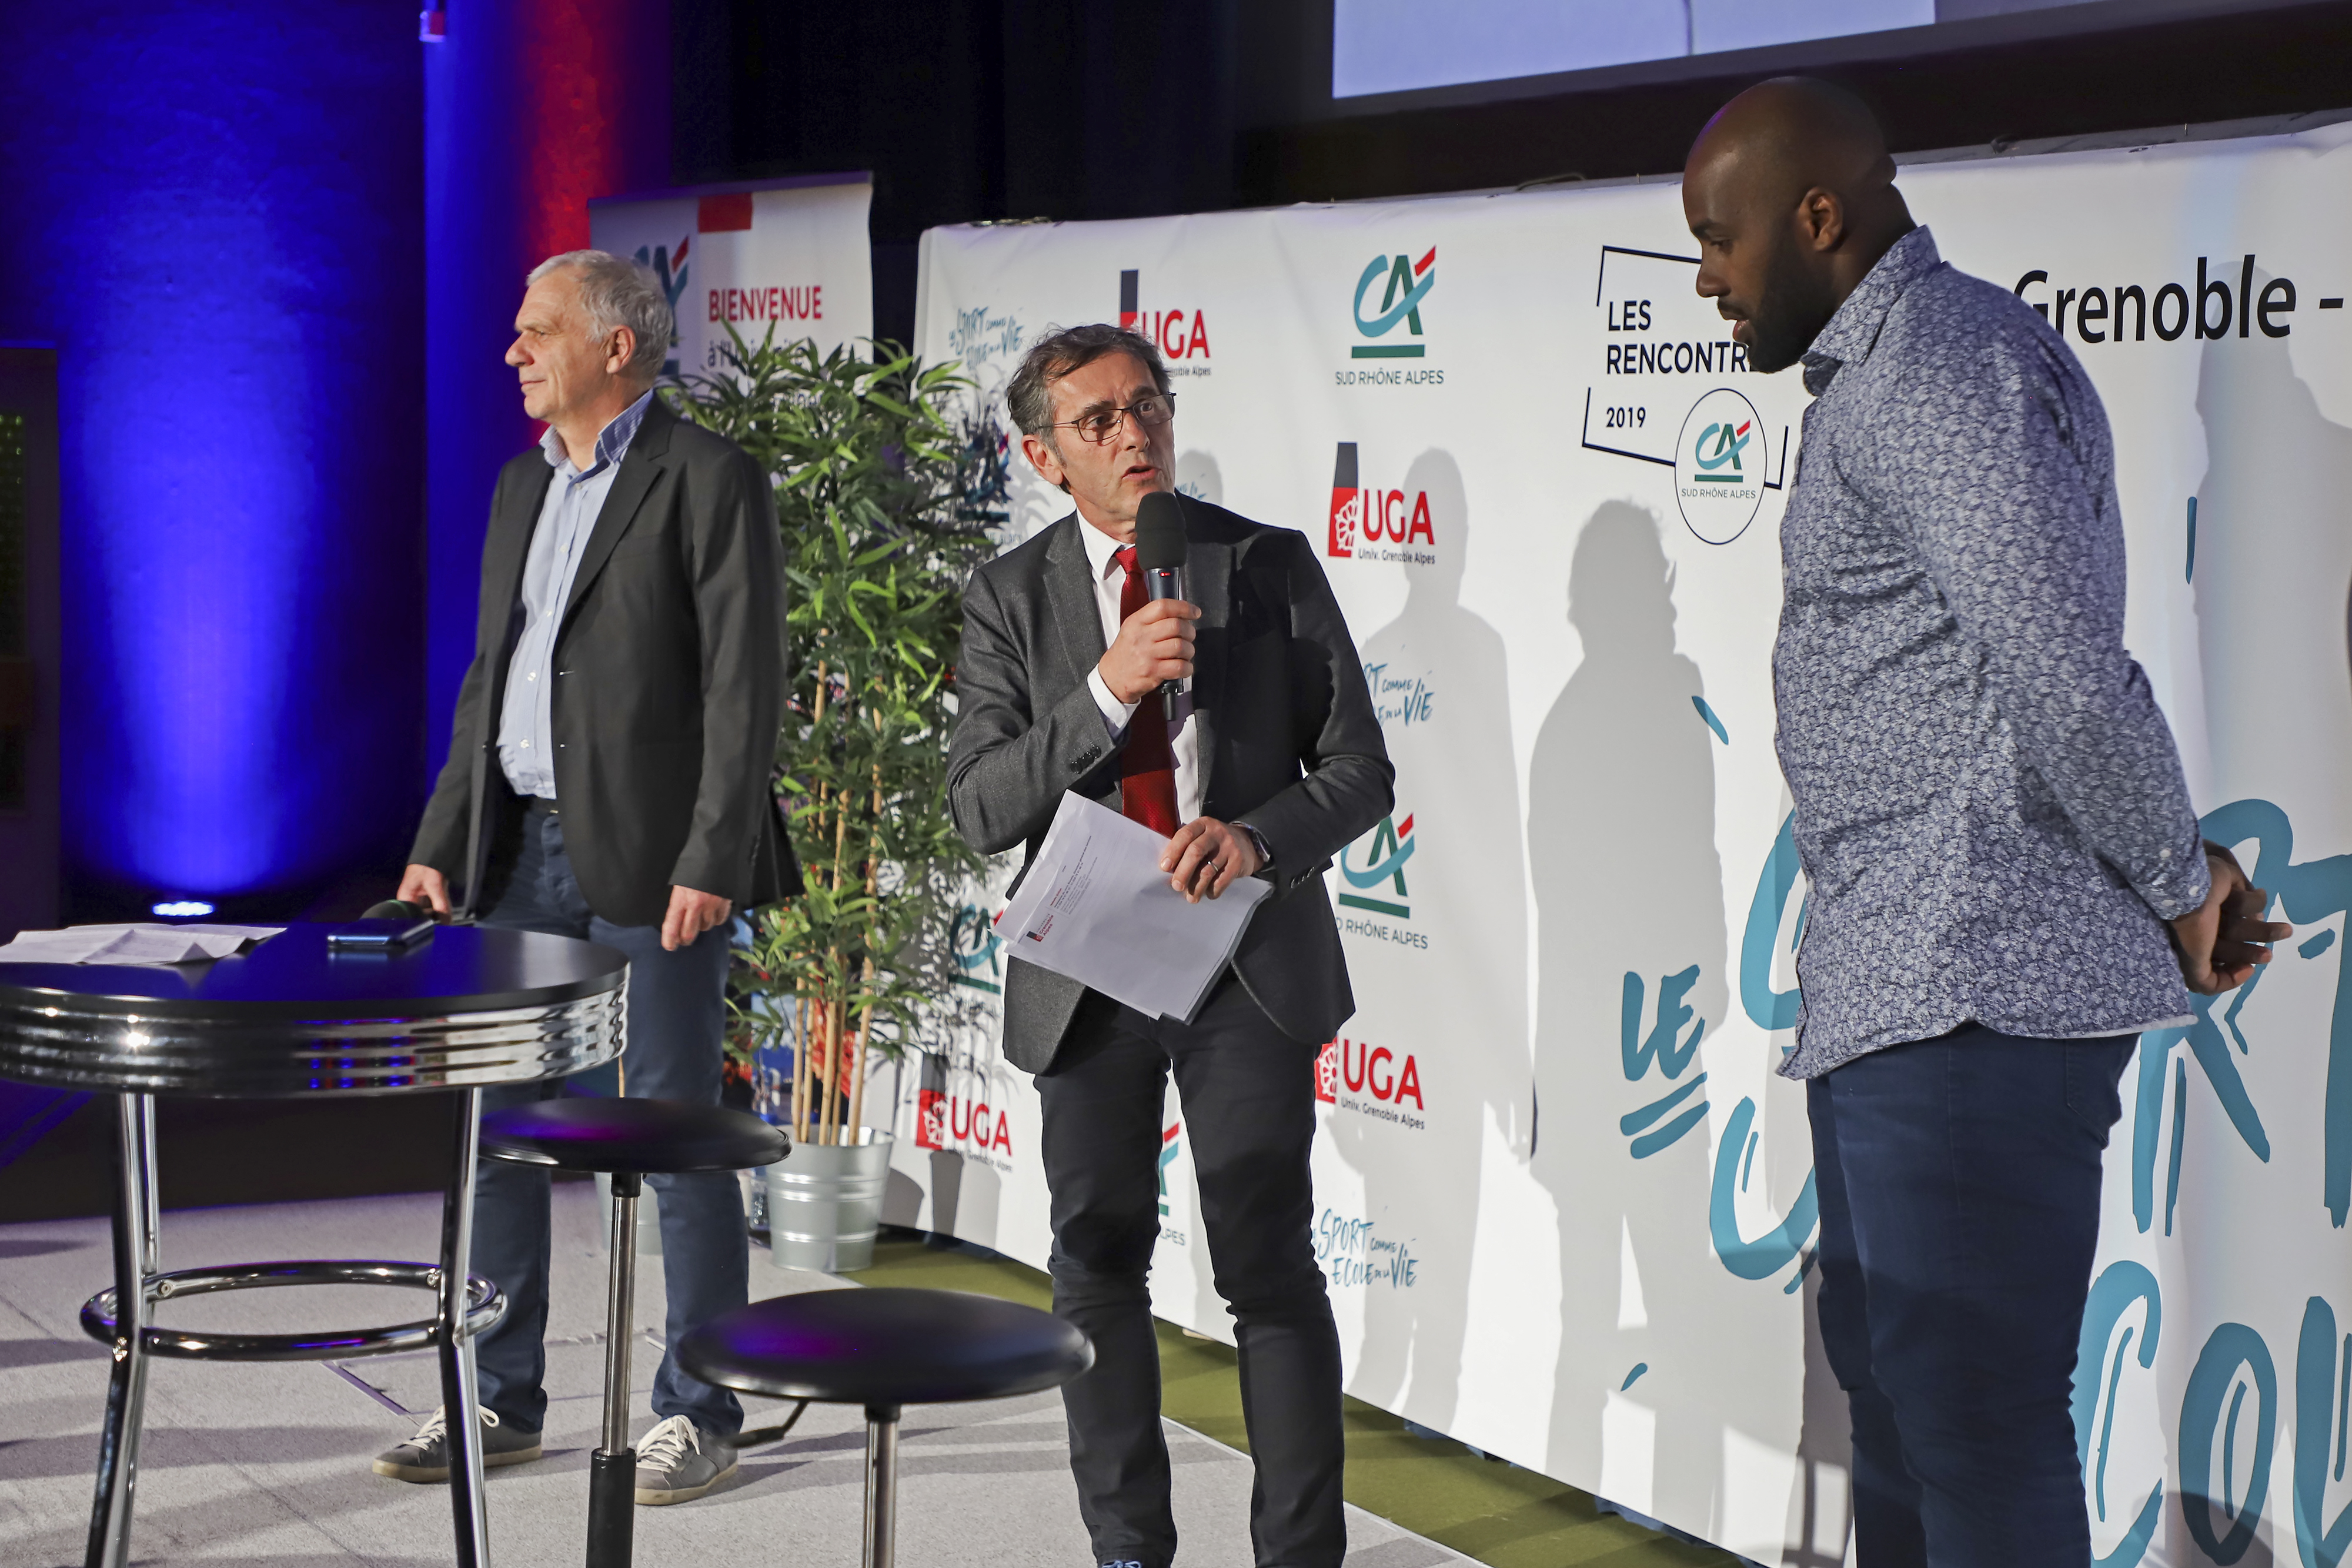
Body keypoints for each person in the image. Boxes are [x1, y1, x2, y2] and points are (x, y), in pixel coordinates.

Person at [1681, 79, 2291, 1563]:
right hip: (1908, 984)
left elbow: (2062, 672)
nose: (1703, 277)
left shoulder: (1941, 369)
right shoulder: (1894, 374)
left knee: (1967, 1424)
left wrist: (2172, 875)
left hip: (1975, 985)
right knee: (1904, 1415)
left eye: (1718, 236)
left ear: (1816, 217)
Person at [947, 324, 1391, 1568]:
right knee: (1096, 1252)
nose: (1134, 430)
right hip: (1087, 967)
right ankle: (1128, 1547)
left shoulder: (1267, 563)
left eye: (1148, 404)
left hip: (1239, 954)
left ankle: (1298, 1555)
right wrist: (1102, 688)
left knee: (1263, 1252)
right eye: (1098, 420)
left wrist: (1254, 838)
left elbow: (1360, 770)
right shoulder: (1004, 598)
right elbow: (979, 806)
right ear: (1044, 454)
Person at [376, 249, 791, 1506]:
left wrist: (714, 853)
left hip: (656, 859)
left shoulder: (708, 478)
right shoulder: (520, 485)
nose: (515, 350)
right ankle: (499, 1395)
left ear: (616, 346)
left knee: (671, 1126)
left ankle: (699, 1407)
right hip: (515, 854)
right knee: (501, 1130)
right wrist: (442, 836)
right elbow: (488, 677)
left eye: (536, 330)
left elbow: (743, 683)